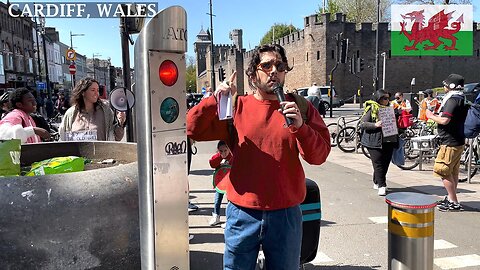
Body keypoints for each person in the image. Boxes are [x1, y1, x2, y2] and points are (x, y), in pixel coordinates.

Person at [187, 44, 331, 269]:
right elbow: (192, 129)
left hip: (285, 214)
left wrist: (301, 128)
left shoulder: (299, 107)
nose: (274, 70)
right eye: (267, 65)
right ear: (253, 73)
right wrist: (216, 99)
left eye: (280, 66)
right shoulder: (237, 106)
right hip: (242, 213)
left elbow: (319, 156)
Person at [426, 74, 468, 211]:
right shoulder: (461, 98)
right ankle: (450, 198)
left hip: (450, 141)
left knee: (442, 170)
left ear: (451, 86)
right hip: (458, 140)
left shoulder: (453, 100)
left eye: (445, 84)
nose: (444, 87)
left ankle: (454, 202)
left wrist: (431, 116)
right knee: (452, 171)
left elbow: (445, 120)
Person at [59, 78, 125, 141]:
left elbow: (116, 137)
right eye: (93, 90)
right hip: (77, 152)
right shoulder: (71, 113)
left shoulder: (106, 111)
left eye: (98, 90)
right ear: (83, 92)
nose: (97, 93)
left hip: (101, 152)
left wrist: (120, 123)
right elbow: (63, 137)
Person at [360, 90, 399, 196]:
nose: (387, 100)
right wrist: (375, 125)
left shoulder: (391, 109)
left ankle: (377, 181)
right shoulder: (372, 108)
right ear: (378, 98)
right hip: (374, 141)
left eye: (388, 98)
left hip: (389, 140)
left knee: (385, 163)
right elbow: (363, 124)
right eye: (384, 98)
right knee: (378, 163)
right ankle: (382, 185)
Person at [208, 140, 233, 226]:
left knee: (230, 202)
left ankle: (229, 220)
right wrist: (219, 157)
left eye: (225, 150)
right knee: (217, 201)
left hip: (230, 184)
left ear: (229, 149)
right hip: (220, 184)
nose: (223, 153)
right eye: (221, 151)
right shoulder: (218, 157)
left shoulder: (232, 157)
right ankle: (216, 216)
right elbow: (212, 163)